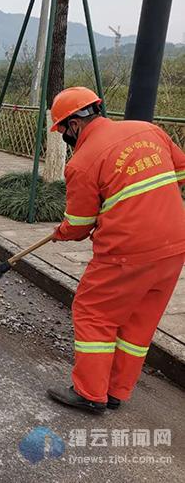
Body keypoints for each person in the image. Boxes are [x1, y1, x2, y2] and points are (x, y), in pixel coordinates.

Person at [46, 87, 185, 414]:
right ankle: (116, 391)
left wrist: (61, 232)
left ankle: (90, 393)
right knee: (139, 322)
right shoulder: (148, 131)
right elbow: (180, 171)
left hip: (127, 253)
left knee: (93, 313)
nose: (65, 135)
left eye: (64, 129)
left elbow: (79, 225)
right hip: (175, 247)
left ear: (74, 125)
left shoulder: (82, 162)